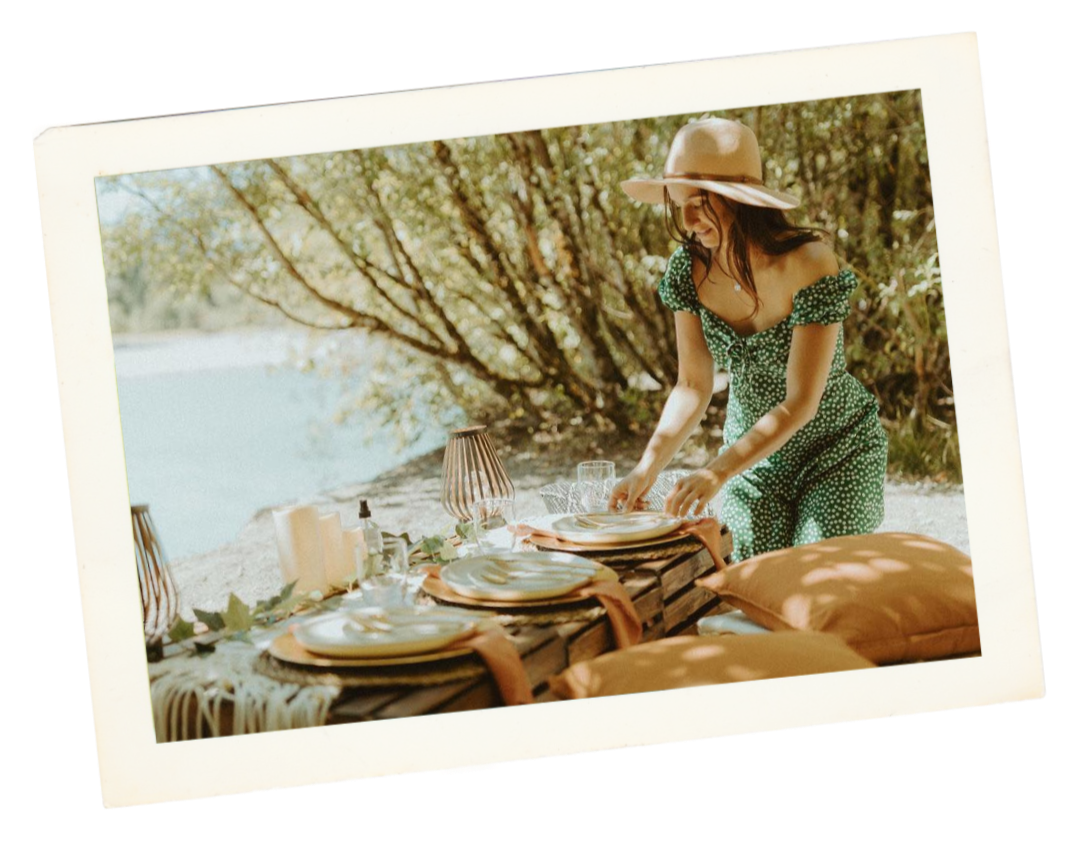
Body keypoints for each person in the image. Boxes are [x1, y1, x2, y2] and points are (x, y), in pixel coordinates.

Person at [609, 118, 888, 563]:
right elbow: (692, 386)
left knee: (816, 575)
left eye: (698, 202)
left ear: (739, 201)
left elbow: (800, 402)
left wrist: (715, 472)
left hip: (836, 452)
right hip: (752, 464)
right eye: (679, 204)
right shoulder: (688, 271)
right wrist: (645, 470)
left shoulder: (810, 262)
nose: (687, 220)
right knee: (753, 579)